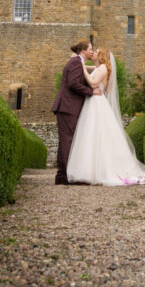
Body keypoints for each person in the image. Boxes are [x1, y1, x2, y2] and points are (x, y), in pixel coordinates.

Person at [66, 48, 145, 185]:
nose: (93, 53)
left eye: (96, 52)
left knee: (97, 134)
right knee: (92, 135)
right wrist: (79, 61)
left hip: (96, 102)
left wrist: (81, 67)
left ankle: (99, 171)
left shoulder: (104, 68)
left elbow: (93, 83)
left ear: (102, 56)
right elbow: (91, 67)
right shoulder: (100, 67)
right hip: (93, 102)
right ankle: (90, 171)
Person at [51, 40, 99, 185]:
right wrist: (91, 91)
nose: (92, 51)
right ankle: (65, 176)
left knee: (66, 140)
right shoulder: (75, 63)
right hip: (68, 107)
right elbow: (73, 84)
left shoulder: (78, 62)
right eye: (91, 49)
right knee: (68, 141)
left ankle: (62, 175)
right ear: (83, 50)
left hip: (68, 107)